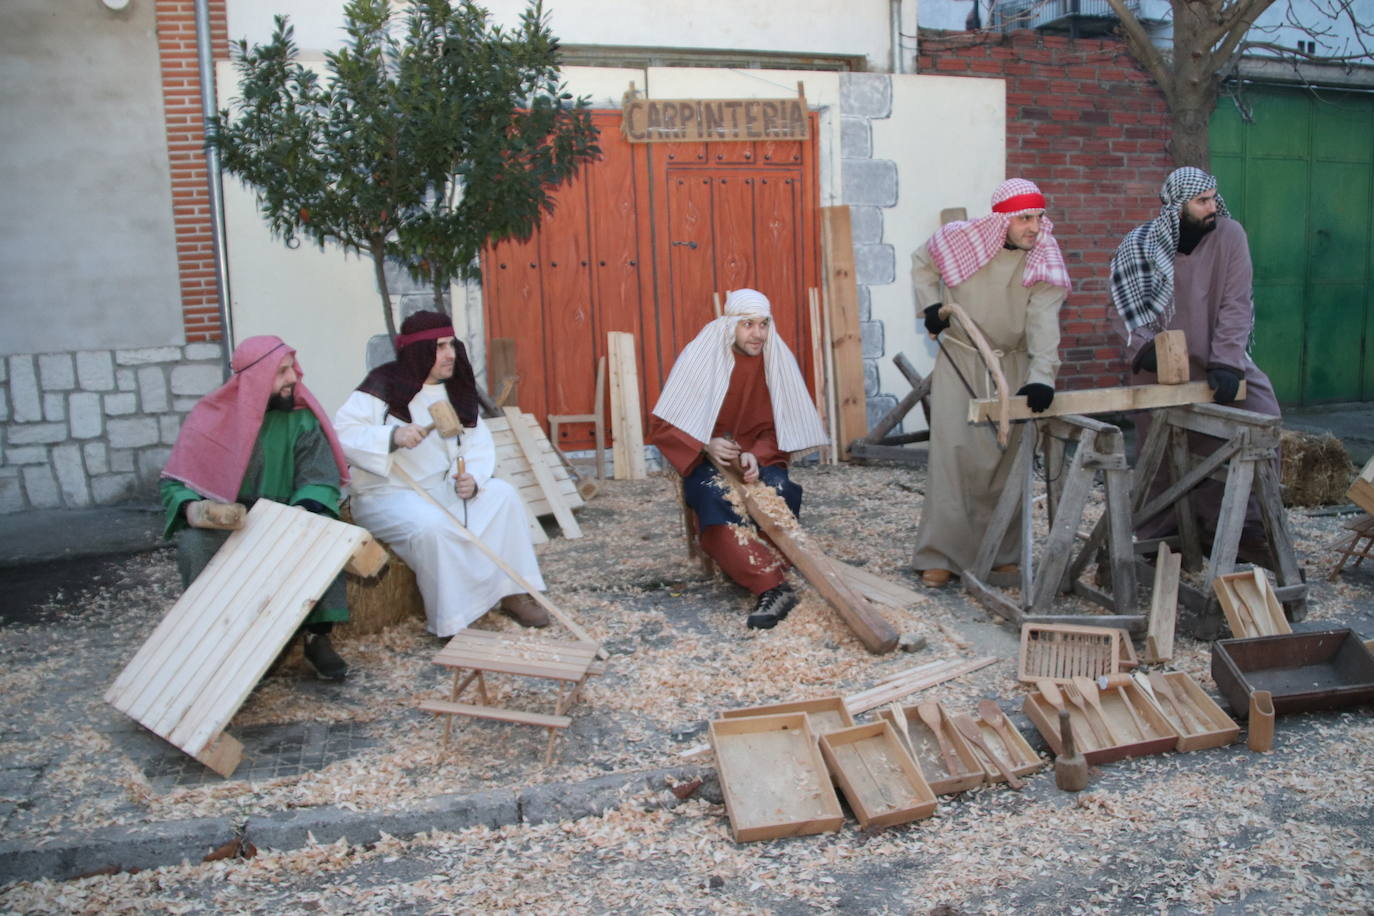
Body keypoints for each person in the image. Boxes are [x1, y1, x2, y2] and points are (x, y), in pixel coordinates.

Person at [333, 311, 548, 638]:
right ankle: (452, 621)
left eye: (451, 344)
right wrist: (392, 438)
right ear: (419, 351)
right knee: (433, 529)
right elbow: (342, 434)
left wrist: (473, 478)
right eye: (440, 347)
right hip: (387, 495)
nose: (451, 354)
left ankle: (511, 590)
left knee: (503, 496)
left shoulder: (456, 388)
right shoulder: (382, 385)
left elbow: (477, 443)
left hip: (442, 488)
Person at [160, 335, 354, 680]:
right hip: (229, 524)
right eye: (282, 372)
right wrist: (193, 509)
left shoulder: (302, 419)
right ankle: (215, 640)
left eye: (292, 368)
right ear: (255, 378)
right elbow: (177, 480)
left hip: (289, 517)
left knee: (327, 538)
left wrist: (301, 513)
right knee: (193, 544)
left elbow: (319, 478)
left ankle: (316, 638)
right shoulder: (210, 419)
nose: (293, 377)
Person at [910, 178, 1071, 587]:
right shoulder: (958, 239)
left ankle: (1003, 553)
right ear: (1002, 220)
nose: (1034, 226)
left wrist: (1041, 378)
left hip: (1012, 366)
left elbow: (1043, 324)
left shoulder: (1045, 259)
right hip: (961, 358)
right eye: (1024, 218)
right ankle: (941, 556)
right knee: (953, 456)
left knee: (1007, 463)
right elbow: (922, 261)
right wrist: (931, 306)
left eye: (1039, 216)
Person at [1109, 166, 1282, 544]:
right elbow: (1122, 310)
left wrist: (1226, 362)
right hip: (1161, 365)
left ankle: (1247, 530)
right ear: (1177, 207)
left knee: (1262, 412)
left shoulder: (1231, 236)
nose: (1213, 206)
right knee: (1160, 449)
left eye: (1213, 198)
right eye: (1202, 201)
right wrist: (1144, 348)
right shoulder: (1140, 245)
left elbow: (1238, 304)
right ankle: (1157, 535)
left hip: (1219, 357)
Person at [649, 288, 829, 630]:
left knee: (780, 489)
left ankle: (758, 565)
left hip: (756, 458)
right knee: (714, 501)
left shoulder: (775, 360)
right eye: (748, 325)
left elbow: (782, 427)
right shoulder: (699, 357)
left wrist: (756, 455)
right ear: (731, 325)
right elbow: (664, 423)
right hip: (704, 460)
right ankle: (770, 585)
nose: (757, 334)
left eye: (763, 324)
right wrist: (706, 443)